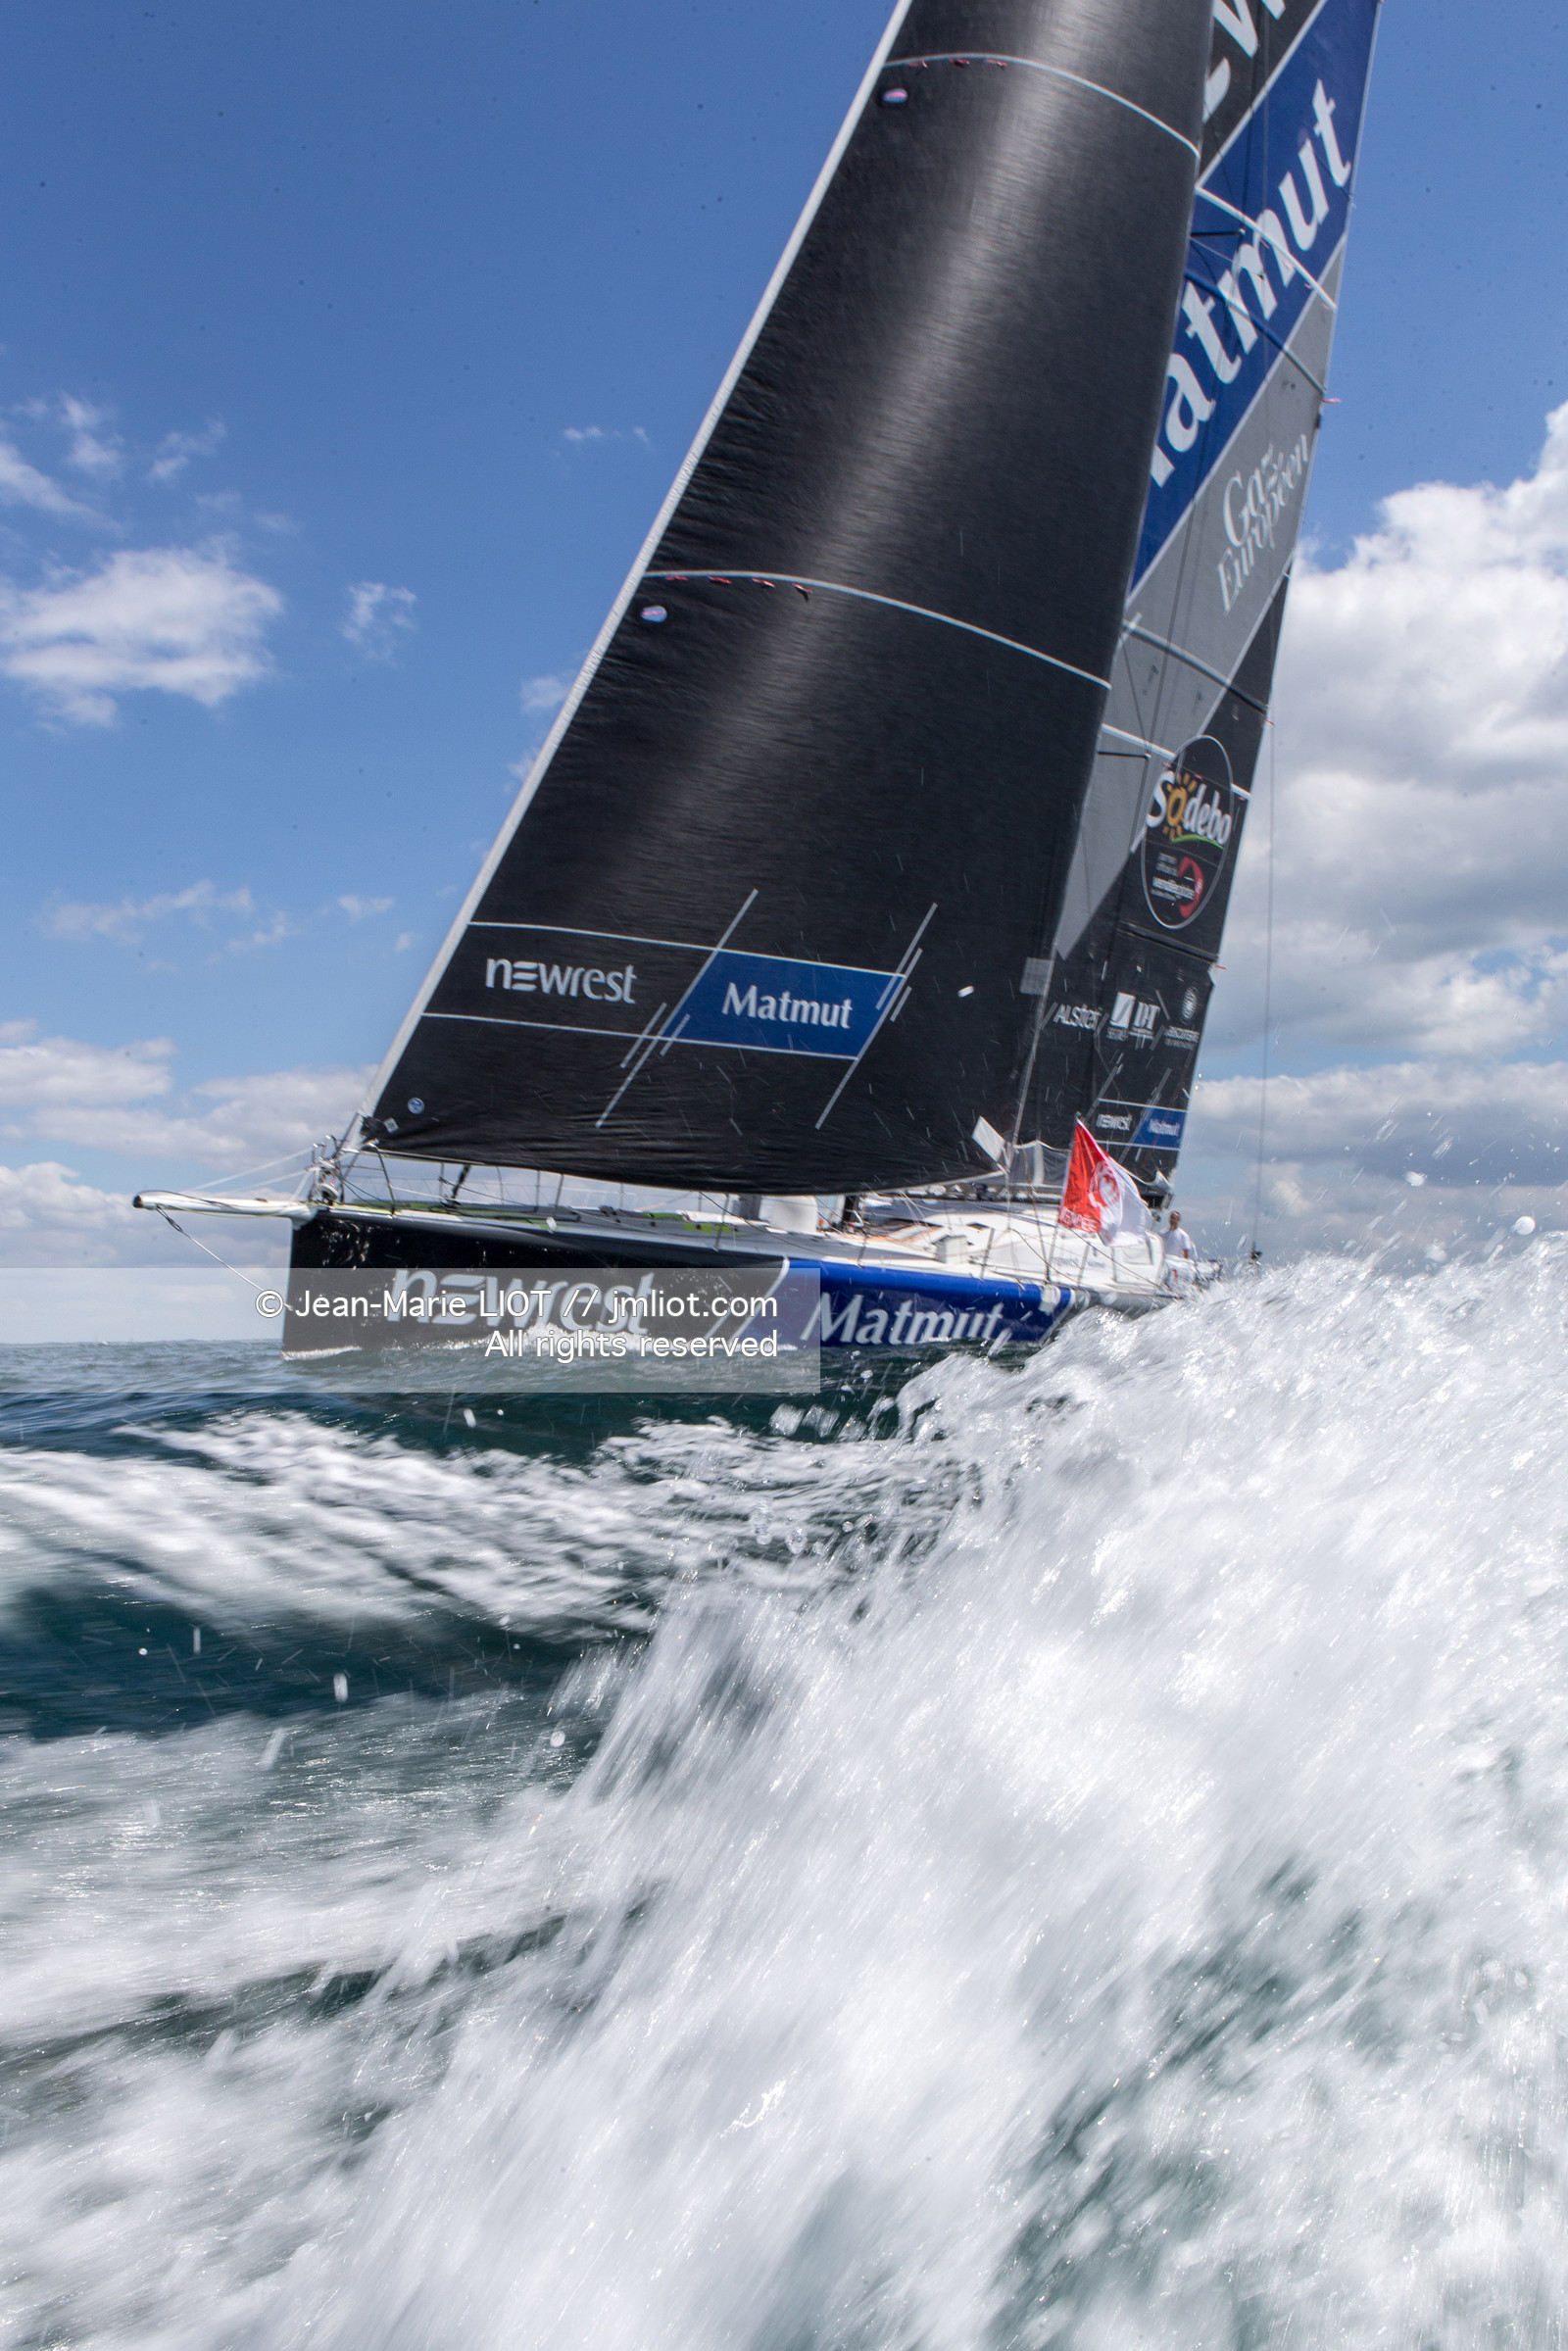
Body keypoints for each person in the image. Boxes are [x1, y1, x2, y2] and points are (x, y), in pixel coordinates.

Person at [1165, 1208, 1197, 1282]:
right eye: (1171, 1218)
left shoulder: (1183, 1235)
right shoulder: (1162, 1233)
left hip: (1176, 1265)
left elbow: (1186, 1253)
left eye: (1174, 1218)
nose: (1172, 1220)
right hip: (1165, 1262)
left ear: (1178, 1220)